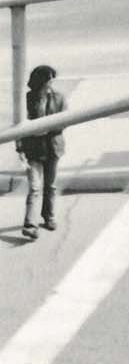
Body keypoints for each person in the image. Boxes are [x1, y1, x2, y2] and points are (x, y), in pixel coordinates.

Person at [16, 63, 65, 241]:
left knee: (50, 186)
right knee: (35, 187)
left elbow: (65, 121)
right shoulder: (27, 100)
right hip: (33, 150)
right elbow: (18, 126)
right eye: (47, 81)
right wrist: (19, 148)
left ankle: (49, 216)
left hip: (53, 147)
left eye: (52, 80)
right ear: (39, 82)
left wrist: (48, 128)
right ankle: (30, 224)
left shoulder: (59, 99)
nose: (50, 85)